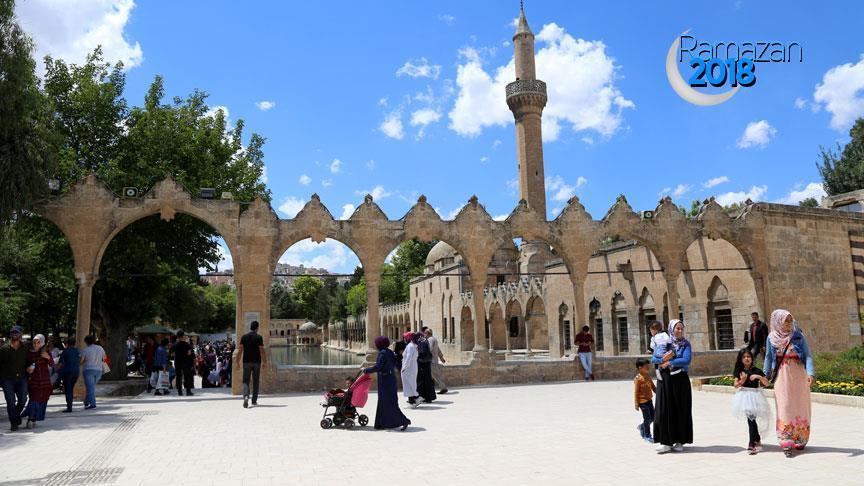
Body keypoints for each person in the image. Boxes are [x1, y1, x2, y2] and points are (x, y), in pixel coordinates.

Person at [763, 309, 814, 458]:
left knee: (800, 405)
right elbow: (768, 357)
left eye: (791, 320)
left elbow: (808, 355)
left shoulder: (798, 336)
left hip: (799, 374)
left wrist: (810, 373)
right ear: (778, 321)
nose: (789, 323)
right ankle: (786, 440)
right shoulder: (771, 338)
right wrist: (765, 375)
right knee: (784, 405)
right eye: (786, 320)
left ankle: (800, 437)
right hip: (782, 375)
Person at [652, 319, 693, 454]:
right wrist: (664, 359)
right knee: (664, 411)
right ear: (671, 329)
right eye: (677, 328)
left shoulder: (685, 344)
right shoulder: (664, 342)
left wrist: (670, 362)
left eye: (681, 328)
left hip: (680, 381)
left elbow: (686, 360)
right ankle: (665, 442)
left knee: (679, 410)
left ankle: (680, 441)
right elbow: (654, 359)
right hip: (665, 381)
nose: (680, 331)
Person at [363, 336, 411, 430]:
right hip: (390, 378)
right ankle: (381, 423)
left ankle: (403, 420)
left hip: (385, 380)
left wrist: (366, 370)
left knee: (387, 402)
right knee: (387, 401)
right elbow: (396, 364)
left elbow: (378, 367)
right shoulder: (389, 352)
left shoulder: (382, 353)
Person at [732, 348, 772, 455]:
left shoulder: (757, 370)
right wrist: (742, 380)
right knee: (751, 420)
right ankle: (752, 443)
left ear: (752, 358)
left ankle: (756, 438)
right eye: (744, 357)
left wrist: (759, 377)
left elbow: (767, 383)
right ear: (741, 359)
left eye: (748, 356)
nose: (746, 359)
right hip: (744, 397)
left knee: (752, 420)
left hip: (755, 396)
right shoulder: (739, 371)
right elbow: (735, 385)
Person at [0, 326, 29, 431]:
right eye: (12, 332)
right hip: (7, 379)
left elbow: (30, 360)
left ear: (20, 334)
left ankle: (16, 417)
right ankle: (14, 423)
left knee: (23, 400)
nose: (14, 334)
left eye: (16, 332)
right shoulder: (4, 349)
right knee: (10, 401)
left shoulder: (25, 348)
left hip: (22, 378)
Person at [23, 334, 54, 428]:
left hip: (45, 382)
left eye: (38, 342)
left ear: (42, 343)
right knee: (33, 400)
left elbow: (52, 364)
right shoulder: (29, 353)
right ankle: (30, 419)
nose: (36, 344)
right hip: (34, 381)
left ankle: (34, 419)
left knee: (42, 401)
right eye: (34, 342)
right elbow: (25, 366)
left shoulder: (45, 352)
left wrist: (48, 358)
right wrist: (28, 369)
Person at [236, 321, 266, 408]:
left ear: (250, 327)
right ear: (257, 328)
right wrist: (265, 362)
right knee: (256, 381)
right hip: (257, 362)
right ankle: (254, 400)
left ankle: (246, 396)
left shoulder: (244, 337)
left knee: (246, 381)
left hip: (246, 362)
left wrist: (237, 362)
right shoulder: (259, 337)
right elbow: (262, 351)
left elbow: (240, 350)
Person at [79, 335, 106, 410]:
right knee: (91, 387)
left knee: (90, 388)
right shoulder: (100, 348)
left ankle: (93, 404)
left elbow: (81, 361)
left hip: (88, 370)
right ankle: (86, 402)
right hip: (99, 370)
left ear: (86, 342)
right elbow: (105, 358)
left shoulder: (86, 350)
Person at [634, 358, 655, 443]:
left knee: (653, 417)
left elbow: (653, 386)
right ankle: (647, 435)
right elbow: (636, 392)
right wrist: (636, 403)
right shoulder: (638, 379)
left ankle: (642, 426)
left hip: (649, 400)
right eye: (646, 367)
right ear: (640, 368)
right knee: (647, 418)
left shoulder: (648, 376)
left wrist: (659, 393)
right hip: (642, 402)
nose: (648, 368)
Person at [57, 337, 80, 413]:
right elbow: (80, 359)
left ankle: (69, 407)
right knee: (71, 388)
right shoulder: (77, 351)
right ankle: (70, 405)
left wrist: (56, 368)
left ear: (67, 344)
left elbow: (60, 363)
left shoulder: (65, 351)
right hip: (76, 372)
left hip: (67, 372)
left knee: (68, 389)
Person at [423, 327, 448, 394]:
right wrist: (441, 358)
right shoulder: (434, 339)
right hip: (434, 360)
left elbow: (430, 349)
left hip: (431, 361)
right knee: (435, 375)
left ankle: (443, 388)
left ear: (427, 333)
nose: (424, 335)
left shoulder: (430, 339)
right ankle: (441, 388)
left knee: (434, 375)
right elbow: (438, 350)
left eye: (425, 333)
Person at [415, 332, 436, 404]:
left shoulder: (422, 343)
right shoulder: (425, 341)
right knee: (428, 381)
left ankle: (425, 397)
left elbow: (422, 353)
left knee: (423, 381)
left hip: (422, 365)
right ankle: (429, 397)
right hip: (427, 364)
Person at [400, 331, 419, 406]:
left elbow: (408, 358)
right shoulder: (413, 345)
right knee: (411, 383)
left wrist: (404, 367)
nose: (404, 339)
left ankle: (412, 400)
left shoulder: (410, 346)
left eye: (405, 338)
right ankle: (413, 399)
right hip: (412, 366)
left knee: (408, 383)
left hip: (409, 367)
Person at [173, 330, 194, 395]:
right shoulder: (187, 345)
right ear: (182, 336)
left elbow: (172, 354)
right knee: (187, 377)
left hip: (178, 363)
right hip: (186, 363)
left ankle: (180, 391)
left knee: (178, 377)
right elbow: (190, 354)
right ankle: (188, 391)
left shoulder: (175, 345)